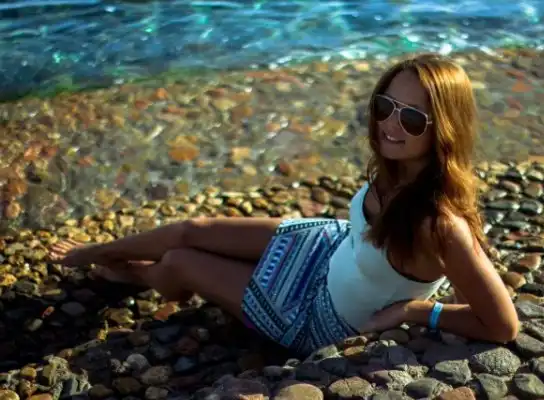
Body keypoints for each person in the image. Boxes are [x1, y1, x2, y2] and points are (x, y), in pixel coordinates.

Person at [49, 54, 519, 355]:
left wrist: (416, 312)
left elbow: (502, 325)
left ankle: (138, 276)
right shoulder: (395, 169)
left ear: (445, 129)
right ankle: (95, 253)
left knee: (179, 261)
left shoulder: (439, 224)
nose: (390, 126)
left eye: (412, 118)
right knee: (193, 228)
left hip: (317, 316)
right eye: (384, 107)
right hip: (331, 248)